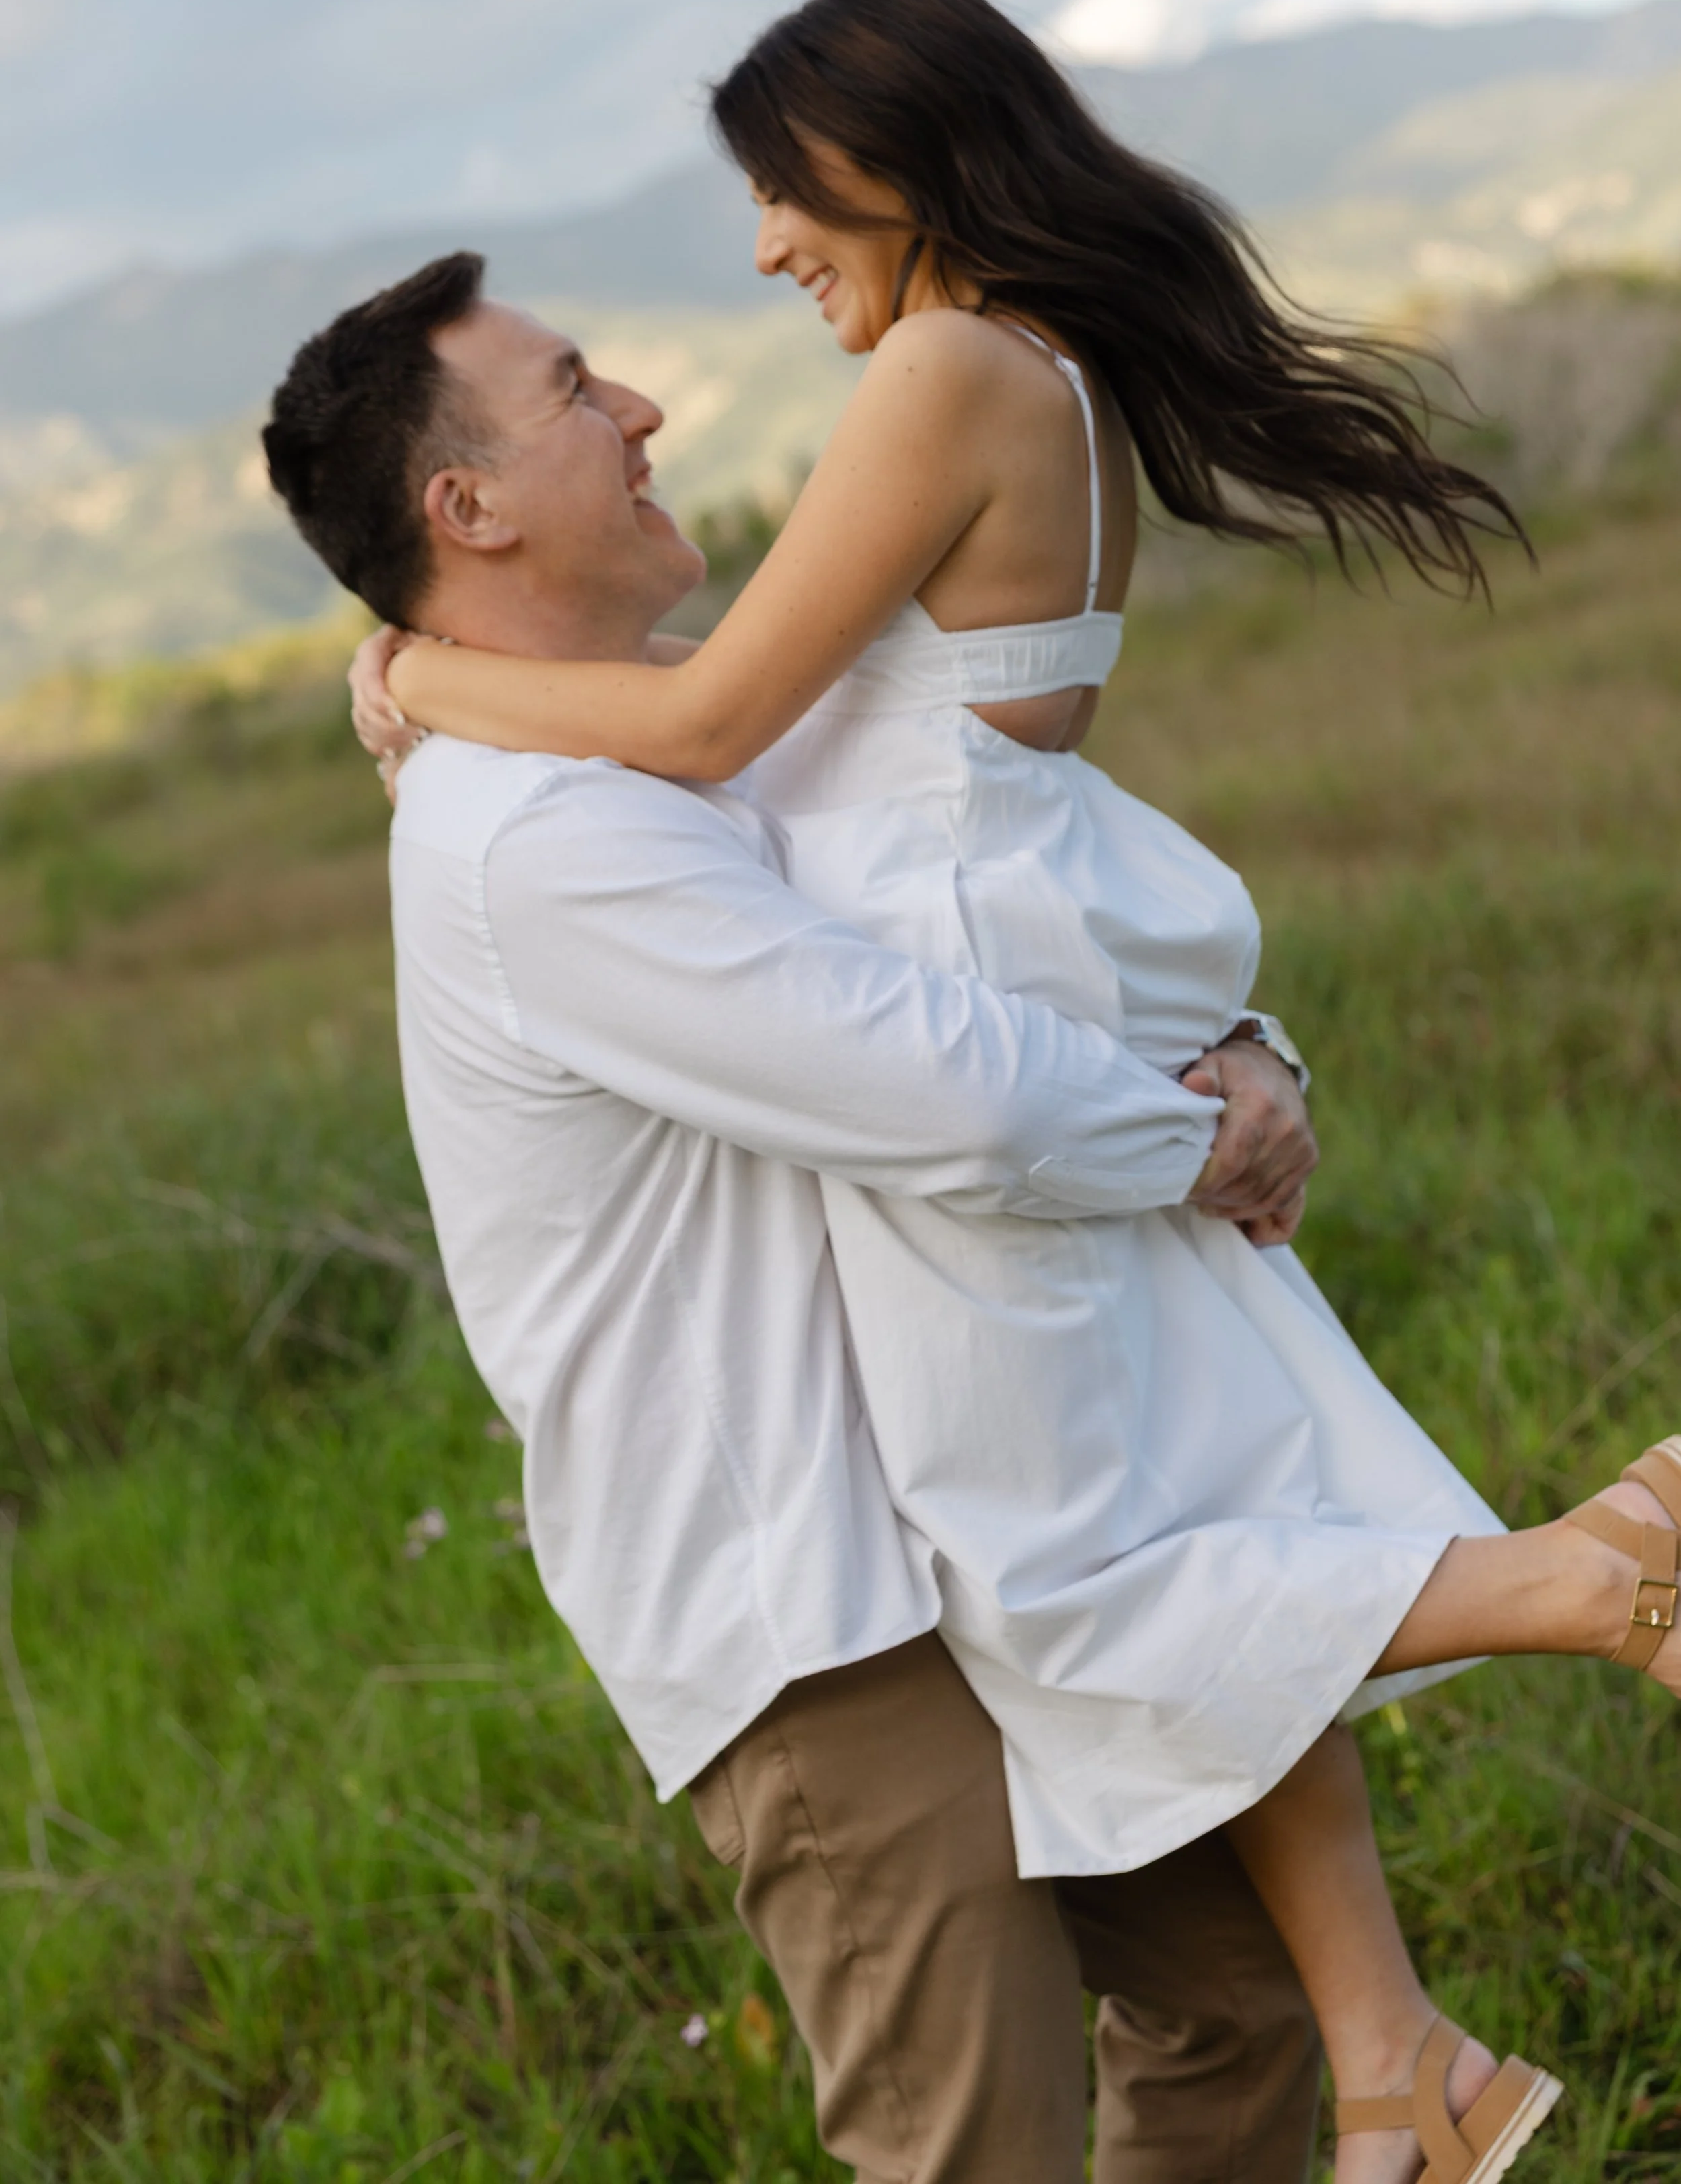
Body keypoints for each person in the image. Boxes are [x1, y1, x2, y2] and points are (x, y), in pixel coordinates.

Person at [347, 0, 1681, 2184]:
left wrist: (411, 668)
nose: (767, 247)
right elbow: (752, 700)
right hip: (1020, 973)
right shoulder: (1024, 373)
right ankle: (1391, 2066)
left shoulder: (951, 371)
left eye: (783, 188)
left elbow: (706, 727)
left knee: (1086, 1575)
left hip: (979, 1033)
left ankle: (1590, 1565)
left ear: (889, 153)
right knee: (1204, 1517)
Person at [264, 255, 1335, 2184]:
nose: (646, 409)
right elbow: (945, 1078)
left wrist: (1240, 1048)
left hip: (987, 1523)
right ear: (469, 505)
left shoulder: (673, 740)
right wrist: (1201, 1144)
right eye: (579, 388)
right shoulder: (534, 836)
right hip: (814, 1613)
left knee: (1239, 2004)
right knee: (970, 2143)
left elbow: (1002, 906)